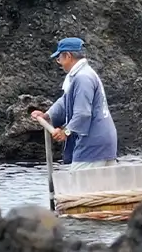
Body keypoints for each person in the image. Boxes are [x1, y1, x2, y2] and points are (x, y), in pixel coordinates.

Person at [30, 37, 118, 170]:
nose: (59, 63)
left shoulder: (83, 78)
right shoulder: (81, 74)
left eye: (59, 58)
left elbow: (82, 113)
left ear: (68, 56)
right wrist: (47, 115)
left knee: (78, 185)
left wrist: (66, 132)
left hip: (92, 143)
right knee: (105, 188)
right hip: (104, 141)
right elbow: (66, 101)